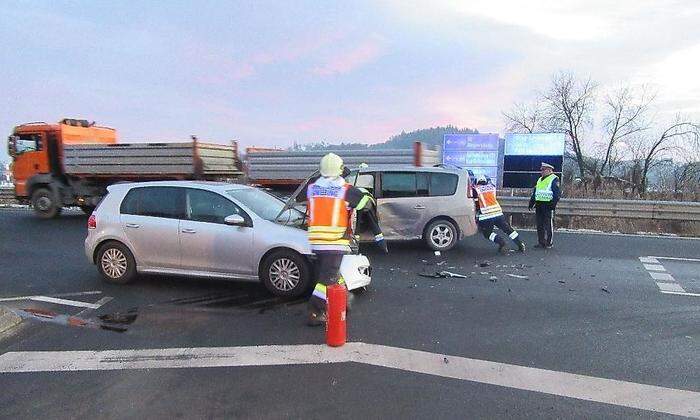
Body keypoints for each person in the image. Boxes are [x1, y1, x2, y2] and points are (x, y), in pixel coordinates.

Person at [306, 153, 378, 326]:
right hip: (334, 241)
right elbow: (364, 205)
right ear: (340, 170)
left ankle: (344, 299)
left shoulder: (312, 187)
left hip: (316, 241)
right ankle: (315, 311)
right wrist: (364, 194)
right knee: (326, 280)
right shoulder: (345, 190)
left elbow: (321, 191)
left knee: (333, 274)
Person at [472, 175, 525, 254]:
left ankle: (502, 243)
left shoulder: (476, 189)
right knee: (508, 230)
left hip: (486, 215)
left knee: (487, 233)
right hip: (498, 213)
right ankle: (520, 244)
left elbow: (476, 204)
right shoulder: (492, 187)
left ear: (477, 181)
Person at [528, 162, 561, 249]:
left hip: (548, 205)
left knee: (548, 224)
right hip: (539, 204)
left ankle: (549, 243)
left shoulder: (554, 179)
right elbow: (535, 192)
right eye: (541, 170)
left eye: (543, 170)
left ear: (549, 170)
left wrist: (552, 205)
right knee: (539, 225)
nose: (541, 171)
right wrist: (531, 203)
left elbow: (556, 194)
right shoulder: (540, 179)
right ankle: (541, 242)